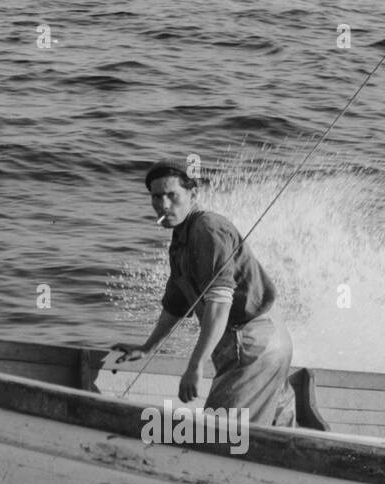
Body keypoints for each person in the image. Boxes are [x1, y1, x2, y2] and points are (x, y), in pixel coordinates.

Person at [114, 159, 295, 426]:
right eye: (156, 197)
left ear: (193, 195)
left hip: (253, 345)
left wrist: (195, 366)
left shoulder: (207, 230)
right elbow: (176, 305)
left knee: (220, 434)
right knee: (279, 435)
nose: (163, 205)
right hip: (262, 343)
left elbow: (219, 306)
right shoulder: (181, 238)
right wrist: (148, 347)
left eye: (172, 195)